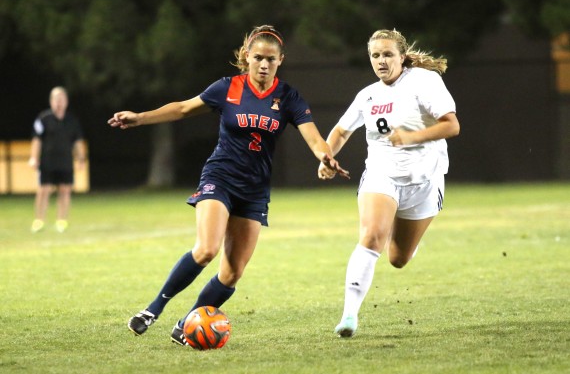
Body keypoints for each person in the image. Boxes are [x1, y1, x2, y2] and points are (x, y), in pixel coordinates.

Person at [107, 24, 349, 346]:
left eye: (271, 60)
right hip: (220, 178)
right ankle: (152, 310)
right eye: (259, 58)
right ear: (247, 57)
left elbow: (315, 138)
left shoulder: (287, 97)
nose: (264, 65)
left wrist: (325, 157)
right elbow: (181, 109)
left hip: (254, 190)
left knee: (232, 273)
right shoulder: (227, 88)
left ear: (280, 61)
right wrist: (140, 117)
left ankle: (187, 323)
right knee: (207, 249)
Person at [318, 29, 460, 338]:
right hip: (382, 175)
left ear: (402, 56)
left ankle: (406, 236)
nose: (381, 61)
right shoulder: (368, 95)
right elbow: (341, 131)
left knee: (398, 258)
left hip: (425, 180)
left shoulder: (424, 82)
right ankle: (349, 317)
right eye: (375, 55)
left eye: (387, 54)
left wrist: (410, 137)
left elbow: (452, 125)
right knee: (371, 238)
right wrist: (326, 156)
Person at [29, 86, 87, 233]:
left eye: (61, 100)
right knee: (44, 190)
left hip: (65, 161)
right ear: (51, 101)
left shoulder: (72, 121)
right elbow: (37, 140)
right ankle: (39, 220)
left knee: (65, 190)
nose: (59, 103)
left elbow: (78, 141)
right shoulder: (43, 119)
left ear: (66, 101)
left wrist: (81, 159)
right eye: (56, 100)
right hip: (47, 161)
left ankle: (62, 221)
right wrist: (34, 158)